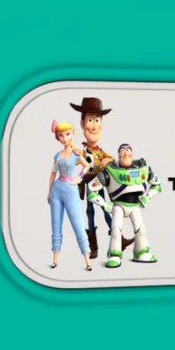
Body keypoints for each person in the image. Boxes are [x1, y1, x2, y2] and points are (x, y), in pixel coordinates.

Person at [70, 97, 132, 258]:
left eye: (97, 120)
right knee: (90, 212)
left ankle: (119, 239)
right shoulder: (82, 151)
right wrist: (75, 155)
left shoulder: (100, 151)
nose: (94, 125)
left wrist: (108, 160)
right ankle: (93, 246)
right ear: (82, 123)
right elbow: (75, 161)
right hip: (89, 182)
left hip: (99, 182)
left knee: (105, 208)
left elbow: (111, 158)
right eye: (90, 120)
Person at [87, 143, 162, 268]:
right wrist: (104, 204)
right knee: (116, 230)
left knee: (141, 230)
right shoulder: (109, 172)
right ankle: (114, 255)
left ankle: (141, 252)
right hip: (118, 206)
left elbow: (157, 185)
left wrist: (147, 197)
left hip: (134, 205)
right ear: (118, 155)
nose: (126, 153)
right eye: (122, 150)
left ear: (132, 153)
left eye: (128, 150)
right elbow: (91, 190)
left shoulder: (144, 169)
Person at [47, 120, 92, 271]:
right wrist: (49, 192)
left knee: (77, 223)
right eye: (61, 136)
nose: (64, 138)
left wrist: (79, 179)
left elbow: (87, 166)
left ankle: (87, 260)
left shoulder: (76, 153)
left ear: (72, 134)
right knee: (55, 224)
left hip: (70, 189)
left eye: (67, 134)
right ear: (58, 138)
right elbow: (53, 173)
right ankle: (55, 260)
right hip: (57, 190)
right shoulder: (57, 155)